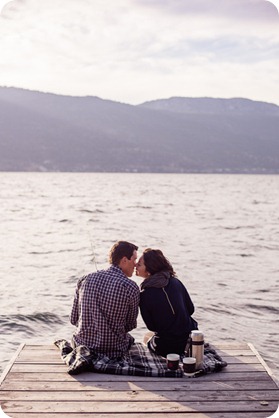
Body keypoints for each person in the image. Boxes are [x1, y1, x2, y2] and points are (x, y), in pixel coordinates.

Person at [70, 241, 140, 358]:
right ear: (124, 260)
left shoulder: (84, 279)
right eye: (134, 260)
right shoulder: (130, 287)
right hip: (114, 350)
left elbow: (73, 319)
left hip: (82, 346)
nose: (135, 265)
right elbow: (130, 324)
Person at [136, 248, 198, 358]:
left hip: (167, 347)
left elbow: (152, 327)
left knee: (147, 337)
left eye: (139, 264)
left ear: (149, 270)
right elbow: (191, 309)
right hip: (191, 340)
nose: (136, 265)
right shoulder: (175, 282)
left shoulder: (144, 294)